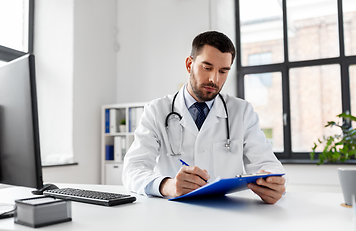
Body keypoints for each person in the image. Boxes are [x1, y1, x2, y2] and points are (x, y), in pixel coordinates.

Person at [122, 31, 286, 204]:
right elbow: (132, 170)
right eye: (207, 68)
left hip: (227, 216)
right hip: (173, 216)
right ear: (189, 64)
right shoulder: (157, 111)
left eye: (223, 71)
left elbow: (269, 165)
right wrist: (168, 185)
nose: (214, 79)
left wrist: (275, 185)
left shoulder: (242, 112)